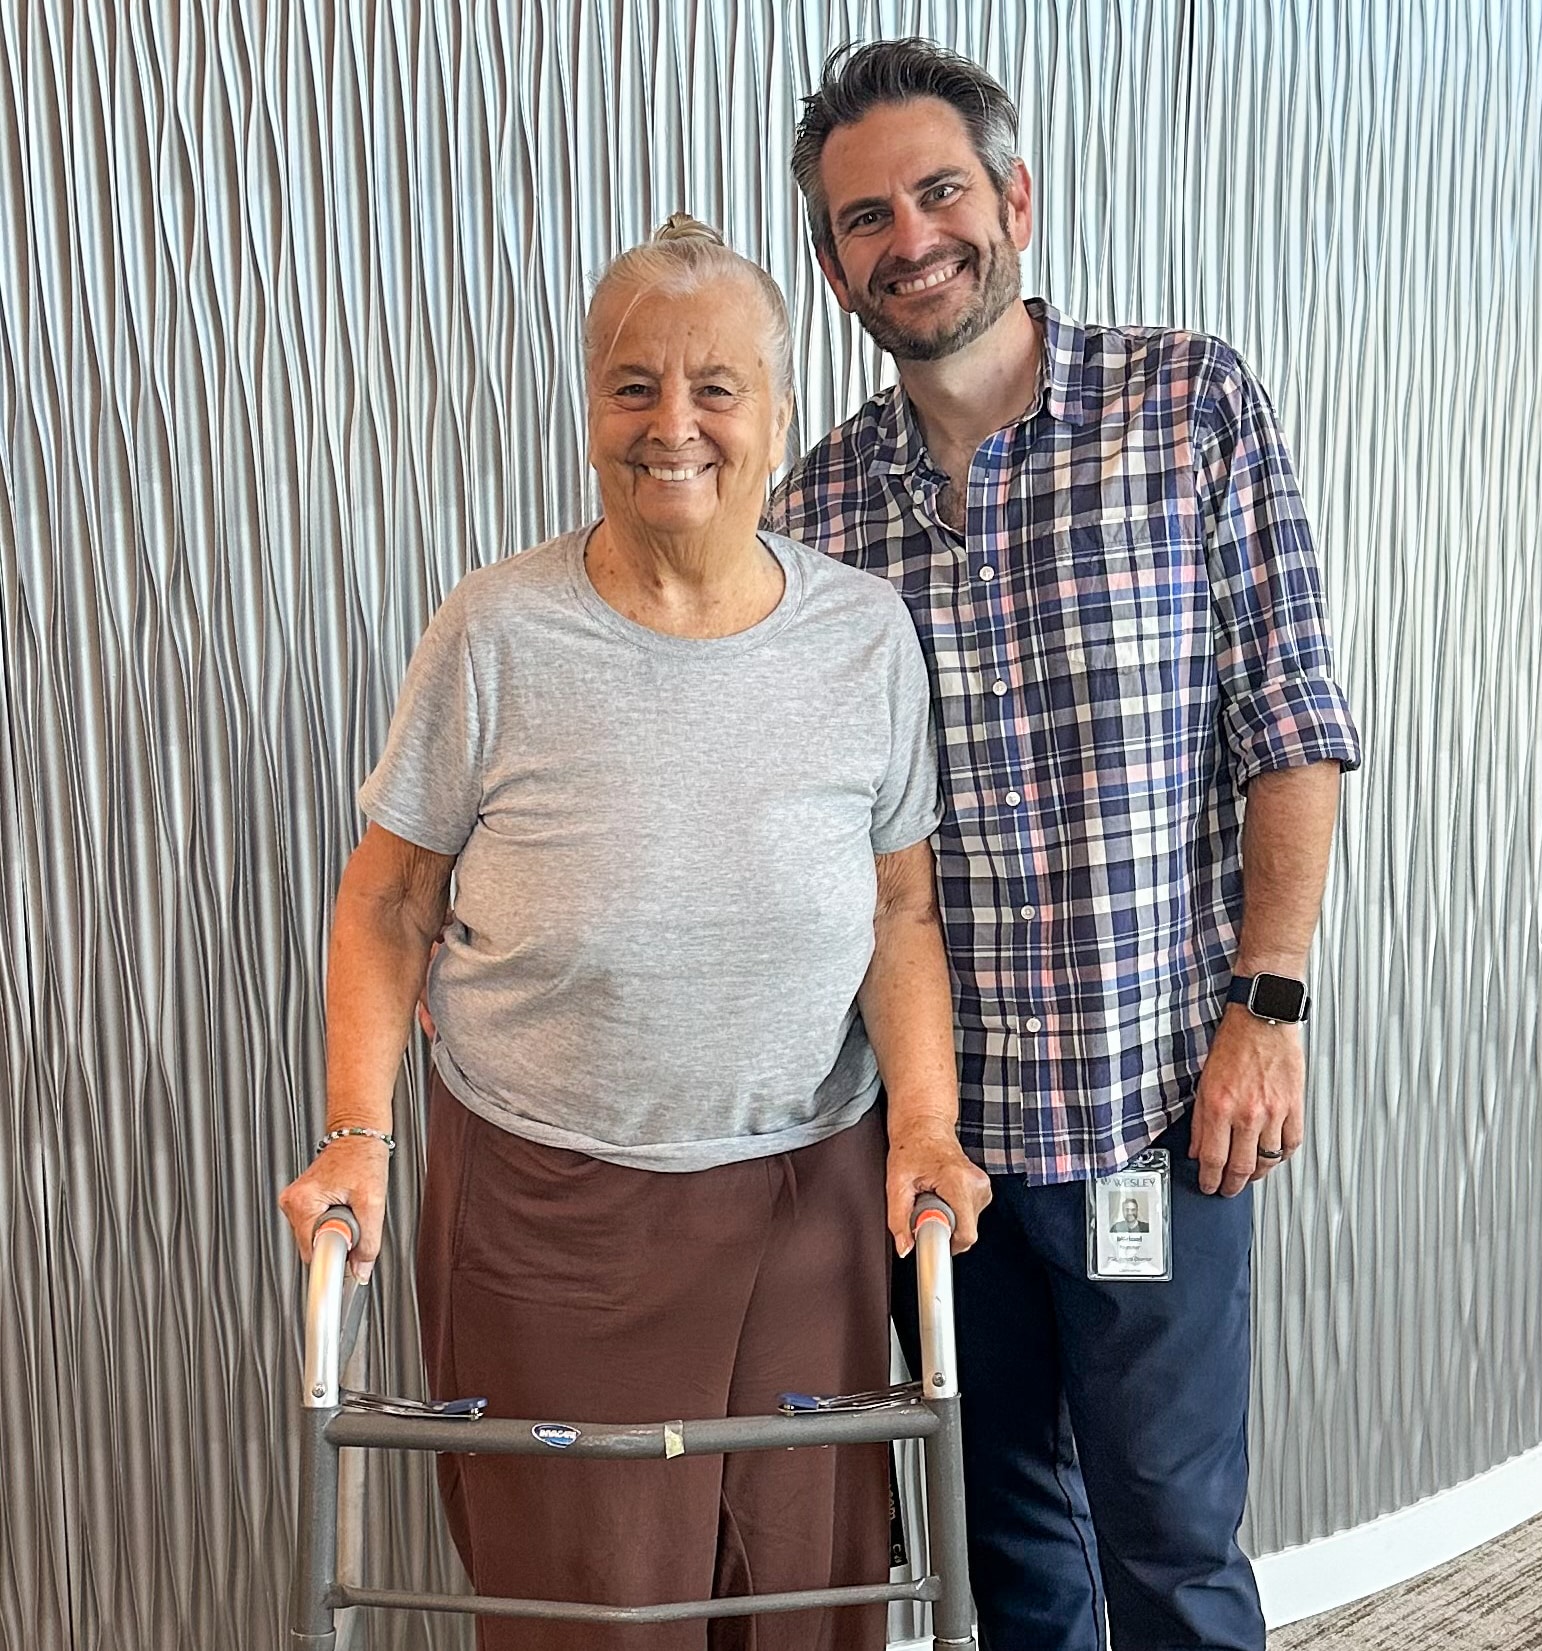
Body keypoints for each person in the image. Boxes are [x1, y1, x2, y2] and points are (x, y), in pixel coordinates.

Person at [278, 214, 990, 1651]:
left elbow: (900, 908)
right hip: (551, 1212)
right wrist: (358, 1130)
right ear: (591, 408)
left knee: (809, 1591)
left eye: (717, 387)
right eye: (633, 385)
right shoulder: (495, 631)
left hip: (812, 1202)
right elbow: (388, 897)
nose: (675, 425)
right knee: (585, 1608)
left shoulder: (863, 636)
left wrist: (925, 1128)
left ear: (780, 418)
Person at [770, 40, 1363, 1651]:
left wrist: (1274, 1002)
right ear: (835, 270)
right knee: (1013, 1558)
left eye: (940, 190)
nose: (911, 239)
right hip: (938, 1151)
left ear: (1014, 197)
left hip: (1156, 1110)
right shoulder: (812, 519)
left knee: (1172, 1543)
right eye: (864, 218)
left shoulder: (1187, 403)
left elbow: (1290, 724)